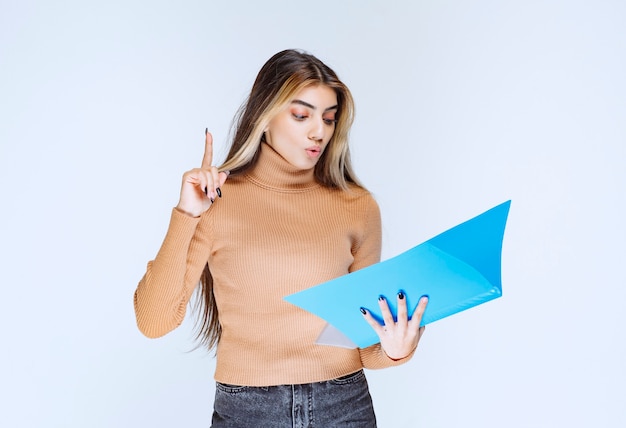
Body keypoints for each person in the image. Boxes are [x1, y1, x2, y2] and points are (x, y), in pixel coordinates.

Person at [134, 49, 429, 427]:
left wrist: (394, 348)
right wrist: (187, 215)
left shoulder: (357, 205)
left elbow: (365, 342)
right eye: (302, 115)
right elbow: (153, 320)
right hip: (248, 412)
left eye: (329, 118)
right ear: (264, 115)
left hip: (344, 405)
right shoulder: (217, 201)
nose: (319, 131)